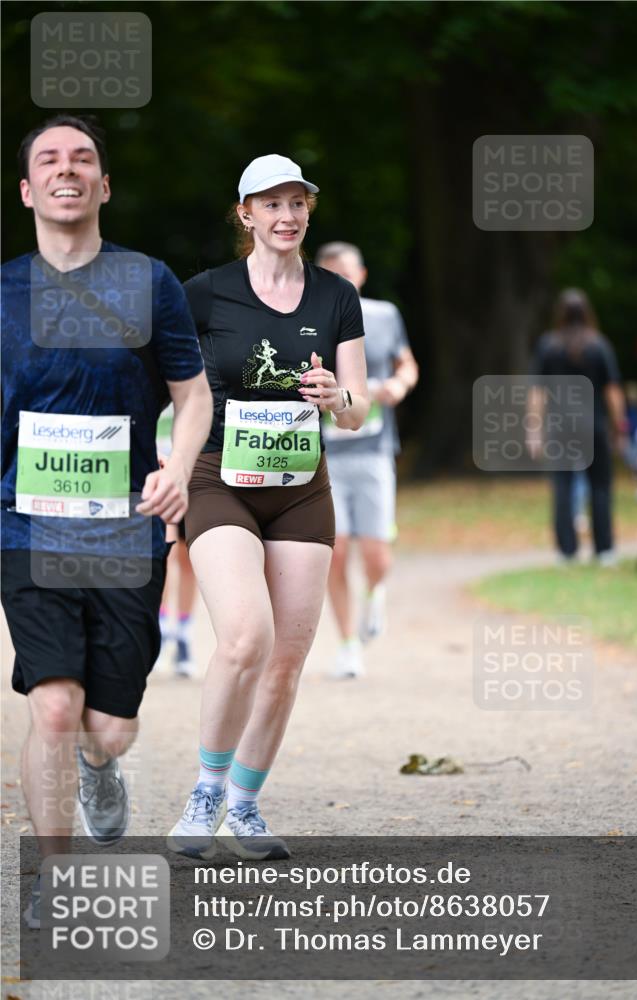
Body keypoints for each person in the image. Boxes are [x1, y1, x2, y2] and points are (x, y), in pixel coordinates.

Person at [1, 115, 212, 925]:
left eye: (82, 158)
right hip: (26, 524)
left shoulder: (148, 281)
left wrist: (174, 470)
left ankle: (100, 764)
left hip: (126, 526)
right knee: (51, 703)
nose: (67, 169)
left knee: (108, 729)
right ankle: (54, 878)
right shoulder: (3, 291)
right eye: (49, 160)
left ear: (103, 185)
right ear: (27, 190)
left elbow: (192, 397)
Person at [167, 155, 369, 861]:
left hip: (300, 490)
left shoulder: (335, 296)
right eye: (270, 203)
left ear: (308, 212)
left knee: (286, 658)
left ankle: (245, 806)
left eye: (297, 203)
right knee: (245, 637)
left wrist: (339, 400)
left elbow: (356, 408)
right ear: (244, 214)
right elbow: (172, 387)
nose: (286, 216)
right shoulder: (203, 295)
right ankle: (204, 791)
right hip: (219, 478)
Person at [315, 243, 419, 678]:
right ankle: (347, 644)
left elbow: (407, 364)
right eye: (329, 273)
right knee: (334, 553)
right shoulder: (307, 320)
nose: (339, 280)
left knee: (376, 555)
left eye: (345, 272)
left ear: (361, 275)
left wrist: (398, 385)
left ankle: (376, 594)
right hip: (328, 454)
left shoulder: (383, 315)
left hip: (375, 450)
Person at [530, 288, 627, 566]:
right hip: (593, 425)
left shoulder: (549, 346)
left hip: (561, 427)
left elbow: (538, 392)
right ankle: (604, 549)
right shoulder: (599, 346)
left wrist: (534, 429)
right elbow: (613, 391)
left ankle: (566, 551)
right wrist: (619, 427)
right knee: (600, 486)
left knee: (562, 486)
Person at [156, 403, 199, 677]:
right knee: (163, 553)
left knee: (188, 557)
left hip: (191, 471)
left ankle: (183, 634)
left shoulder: (200, 364)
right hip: (157, 469)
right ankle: (159, 630)